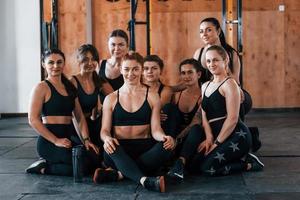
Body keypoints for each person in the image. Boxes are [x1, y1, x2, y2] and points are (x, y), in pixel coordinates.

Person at [168, 45, 264, 180]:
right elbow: (205, 117)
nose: (211, 64)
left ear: (225, 61)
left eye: (215, 60)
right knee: (193, 167)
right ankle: (235, 157)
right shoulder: (205, 85)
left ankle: (248, 164)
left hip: (235, 135)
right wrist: (208, 138)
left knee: (208, 169)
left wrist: (216, 144)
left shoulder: (230, 84)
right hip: (214, 134)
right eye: (208, 61)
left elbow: (232, 119)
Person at [93, 52, 175, 193]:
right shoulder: (111, 98)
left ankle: (119, 174)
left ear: (141, 70)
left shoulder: (152, 96)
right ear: (121, 70)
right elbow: (104, 130)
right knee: (110, 146)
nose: (131, 73)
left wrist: (164, 138)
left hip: (145, 150)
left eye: (135, 69)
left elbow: (156, 129)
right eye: (127, 69)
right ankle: (146, 181)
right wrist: (106, 139)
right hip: (119, 151)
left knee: (167, 145)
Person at [25, 48, 99, 176]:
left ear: (64, 64)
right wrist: (55, 140)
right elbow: (33, 119)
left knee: (94, 160)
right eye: (51, 63)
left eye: (59, 62)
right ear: (44, 64)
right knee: (79, 168)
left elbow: (79, 116)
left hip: (68, 137)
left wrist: (86, 140)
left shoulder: (69, 86)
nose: (55, 66)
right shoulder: (41, 87)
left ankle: (50, 163)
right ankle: (44, 167)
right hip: (49, 142)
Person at [193, 17, 261, 152]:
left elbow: (234, 81)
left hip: (231, 91)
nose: (204, 34)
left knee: (239, 99)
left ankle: (241, 139)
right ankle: (249, 133)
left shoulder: (231, 53)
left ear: (218, 31)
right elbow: (194, 79)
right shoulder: (198, 53)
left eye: (208, 30)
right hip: (209, 93)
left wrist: (222, 56)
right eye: (201, 31)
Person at [70, 44, 112, 147]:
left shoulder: (98, 80)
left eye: (93, 59)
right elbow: (77, 116)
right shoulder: (72, 82)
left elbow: (116, 98)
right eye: (85, 60)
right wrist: (86, 140)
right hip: (75, 126)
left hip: (91, 124)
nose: (90, 63)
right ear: (78, 61)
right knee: (89, 152)